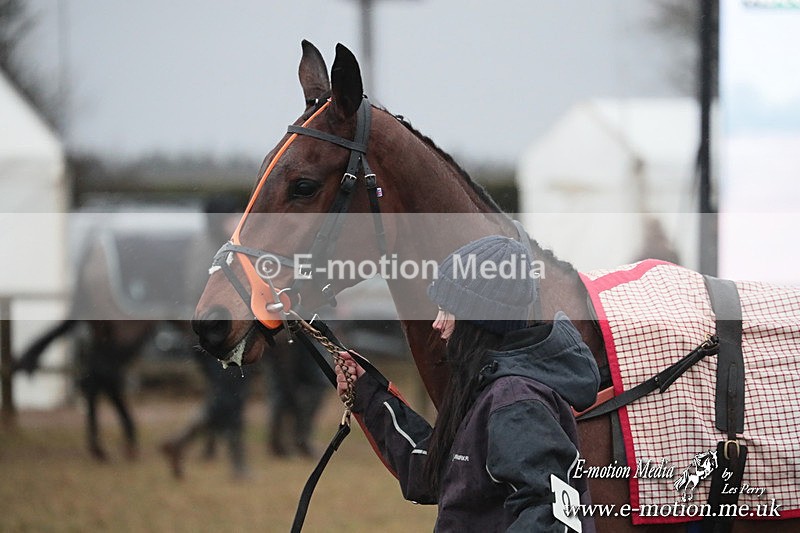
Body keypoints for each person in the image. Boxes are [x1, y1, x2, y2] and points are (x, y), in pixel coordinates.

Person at [335, 235, 600, 532]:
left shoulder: (516, 400)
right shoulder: (490, 387)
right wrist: (368, 393)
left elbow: (551, 518)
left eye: (448, 310)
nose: (437, 323)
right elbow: (438, 474)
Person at [160, 196, 252, 480]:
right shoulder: (209, 251)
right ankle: (186, 443)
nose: (237, 221)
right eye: (232, 216)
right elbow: (204, 293)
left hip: (224, 336)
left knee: (230, 398)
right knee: (229, 399)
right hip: (213, 338)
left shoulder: (222, 246)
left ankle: (198, 448)